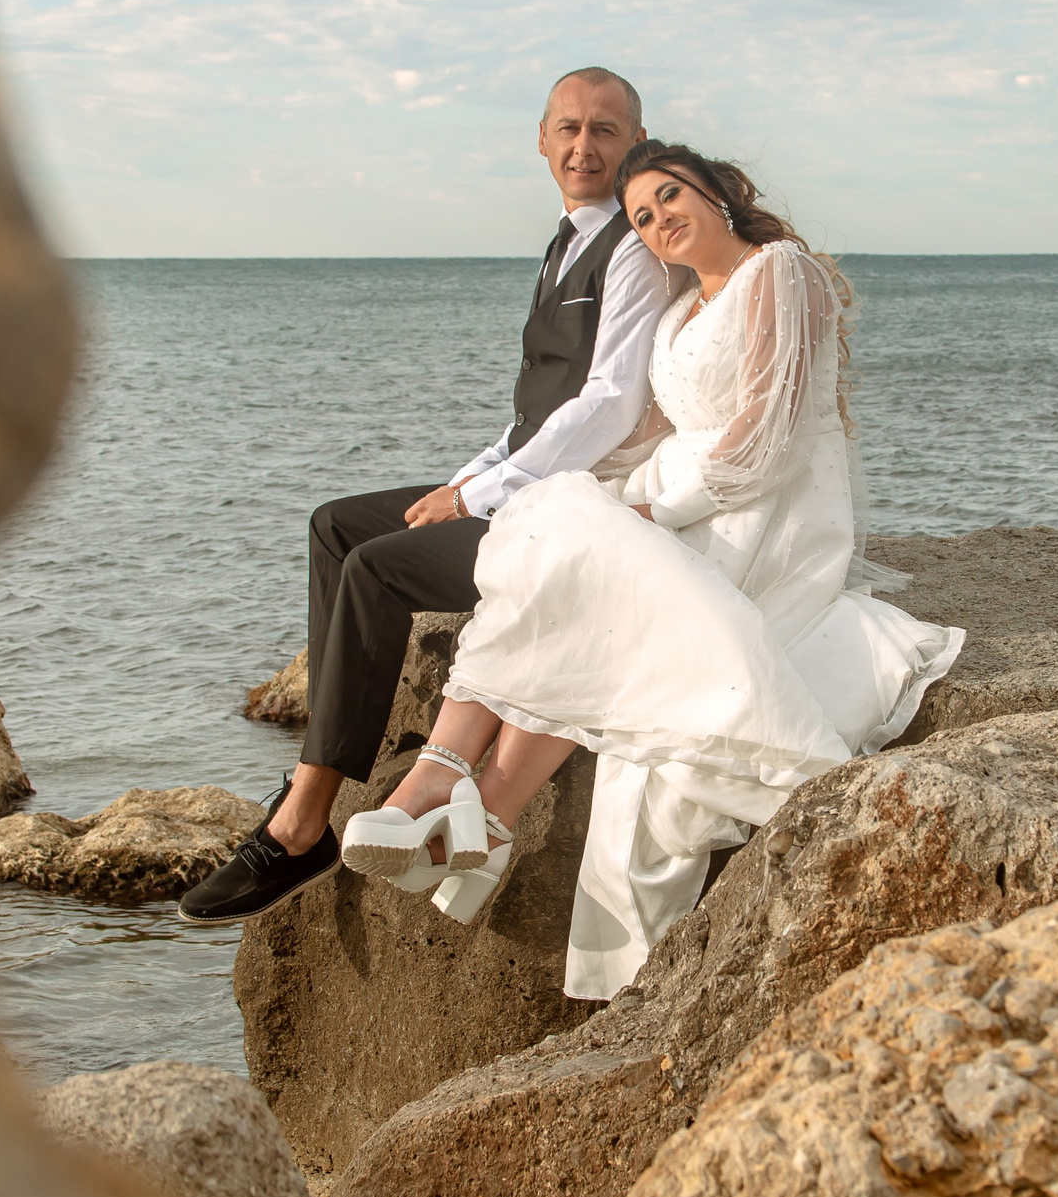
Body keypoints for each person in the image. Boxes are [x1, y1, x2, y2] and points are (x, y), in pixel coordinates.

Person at [334, 141, 964, 999]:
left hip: (771, 518)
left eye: (671, 195)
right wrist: (545, 491)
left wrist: (646, 511)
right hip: (688, 495)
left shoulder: (782, 272)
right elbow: (638, 432)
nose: (660, 218)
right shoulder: (675, 314)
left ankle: (455, 795)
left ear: (717, 192)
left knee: (601, 580)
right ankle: (474, 804)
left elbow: (765, 440)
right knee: (560, 545)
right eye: (641, 216)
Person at [179, 68, 673, 924]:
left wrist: (485, 493)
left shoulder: (632, 251)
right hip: (526, 478)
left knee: (377, 571)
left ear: (635, 140)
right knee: (336, 527)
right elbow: (534, 410)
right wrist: (467, 475)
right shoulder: (565, 240)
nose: (583, 146)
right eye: (568, 128)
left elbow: (610, 402)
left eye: (603, 130)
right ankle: (318, 773)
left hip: (570, 506)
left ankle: (300, 825)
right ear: (543, 141)